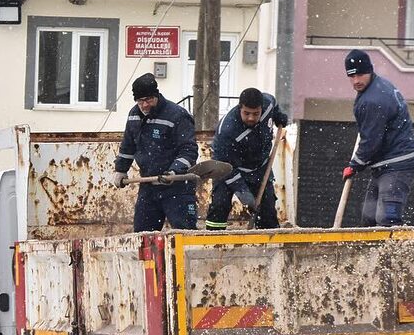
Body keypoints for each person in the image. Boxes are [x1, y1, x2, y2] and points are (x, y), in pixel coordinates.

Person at [342, 49, 414, 226]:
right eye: (351, 76)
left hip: (398, 163)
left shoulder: (374, 99)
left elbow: (371, 141)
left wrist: (355, 165)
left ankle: (395, 252)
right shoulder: (377, 86)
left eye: (360, 75)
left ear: (370, 70)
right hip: (384, 164)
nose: (356, 81)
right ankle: (370, 254)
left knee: (387, 219)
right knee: (369, 219)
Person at [111, 73, 199, 231]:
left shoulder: (177, 116)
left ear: (156, 95)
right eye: (140, 101)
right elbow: (128, 146)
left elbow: (189, 150)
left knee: (183, 234)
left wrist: (174, 171)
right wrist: (121, 169)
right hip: (148, 185)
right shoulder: (134, 116)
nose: (144, 105)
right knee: (144, 237)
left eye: (148, 100)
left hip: (177, 187)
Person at [206, 87, 288, 230]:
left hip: (259, 168)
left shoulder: (267, 103)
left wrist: (278, 115)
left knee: (267, 211)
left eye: (256, 114)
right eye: (247, 113)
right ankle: (213, 242)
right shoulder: (226, 130)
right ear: (240, 108)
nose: (251, 118)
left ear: (262, 108)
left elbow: (274, 104)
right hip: (228, 168)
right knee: (220, 205)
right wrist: (244, 194)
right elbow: (224, 166)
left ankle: (267, 247)